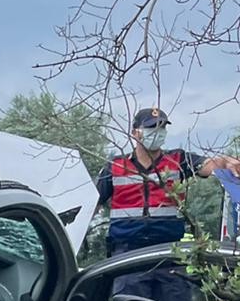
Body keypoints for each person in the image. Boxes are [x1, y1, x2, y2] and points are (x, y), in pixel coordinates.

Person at [97, 106, 240, 254]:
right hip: (126, 251)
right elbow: (92, 205)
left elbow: (209, 164)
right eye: (151, 127)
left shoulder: (178, 160)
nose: (157, 132)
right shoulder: (115, 166)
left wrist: (227, 162)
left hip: (169, 250)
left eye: (162, 127)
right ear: (135, 133)